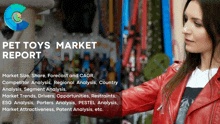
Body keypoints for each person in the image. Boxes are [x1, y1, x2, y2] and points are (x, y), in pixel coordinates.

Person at [25, 0, 220, 123]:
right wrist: (48, 96)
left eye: (197, 23)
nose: (185, 29)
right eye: (185, 20)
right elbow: (116, 103)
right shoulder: (174, 76)